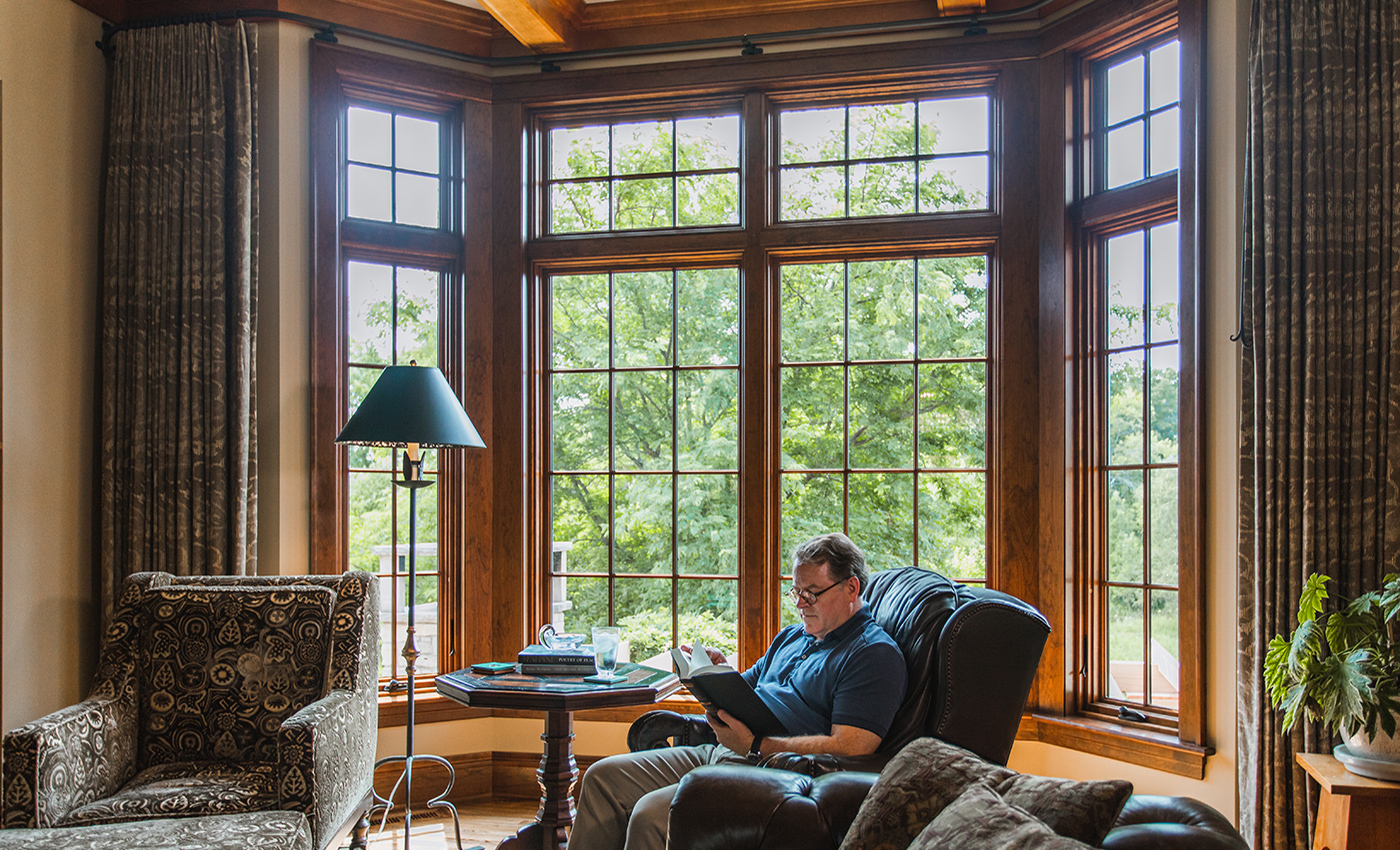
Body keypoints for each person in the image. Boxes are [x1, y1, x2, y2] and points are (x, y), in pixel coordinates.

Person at [566, 532, 907, 850]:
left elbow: (852, 748)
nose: (801, 604)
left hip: (769, 772)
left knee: (649, 815)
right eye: (796, 592)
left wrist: (756, 746)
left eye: (812, 593)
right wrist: (717, 674)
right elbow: (748, 690)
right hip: (725, 750)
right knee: (601, 779)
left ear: (851, 588)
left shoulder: (872, 654)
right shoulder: (792, 636)